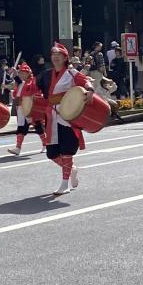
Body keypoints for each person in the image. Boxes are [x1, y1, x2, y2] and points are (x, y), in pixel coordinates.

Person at [37, 42, 93, 195]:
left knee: (67, 150)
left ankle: (64, 183)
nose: (55, 58)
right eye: (53, 55)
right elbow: (35, 87)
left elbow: (85, 81)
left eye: (59, 55)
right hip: (52, 115)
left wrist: (90, 89)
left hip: (67, 115)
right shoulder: (46, 74)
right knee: (52, 153)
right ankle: (71, 169)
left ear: (65, 58)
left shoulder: (71, 72)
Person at [8, 63, 47, 156]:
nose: (20, 74)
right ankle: (18, 148)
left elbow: (35, 93)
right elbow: (17, 92)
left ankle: (46, 144)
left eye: (22, 73)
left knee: (38, 126)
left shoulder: (32, 82)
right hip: (21, 108)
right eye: (20, 73)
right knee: (21, 127)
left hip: (30, 108)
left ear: (27, 73)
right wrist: (15, 76)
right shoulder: (22, 83)